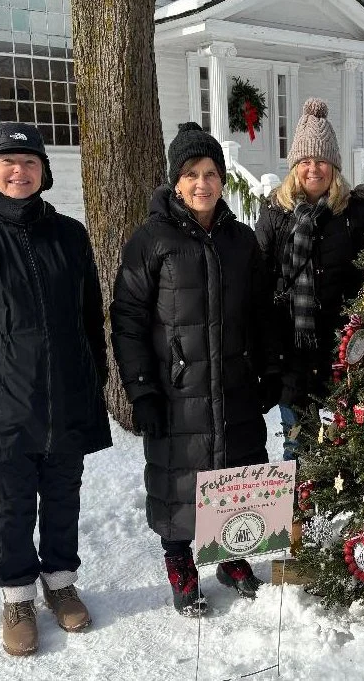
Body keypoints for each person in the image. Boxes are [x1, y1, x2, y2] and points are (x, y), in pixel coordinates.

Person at [0, 122, 112, 656]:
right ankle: (16, 596)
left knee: (63, 494)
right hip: (1, 399)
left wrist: (96, 378)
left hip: (66, 395)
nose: (20, 171)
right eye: (8, 161)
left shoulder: (70, 235)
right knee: (11, 503)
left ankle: (59, 582)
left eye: (30, 161)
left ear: (44, 171)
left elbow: (89, 317)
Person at [110, 122, 279, 617]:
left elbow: (261, 310)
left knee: (235, 470)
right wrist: (141, 389)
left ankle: (232, 555)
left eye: (210, 173)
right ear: (175, 182)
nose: (201, 183)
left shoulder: (241, 241)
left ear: (222, 180)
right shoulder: (150, 241)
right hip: (176, 387)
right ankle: (180, 560)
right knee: (180, 477)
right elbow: (128, 319)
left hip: (233, 384)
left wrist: (268, 369)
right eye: (190, 174)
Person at [255, 98, 364, 459]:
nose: (314, 169)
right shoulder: (275, 214)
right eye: (306, 161)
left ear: (334, 166)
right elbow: (260, 282)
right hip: (292, 355)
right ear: (295, 166)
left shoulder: (357, 213)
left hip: (345, 351)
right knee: (298, 444)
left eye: (321, 160)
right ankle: (300, 514)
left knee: (348, 447)